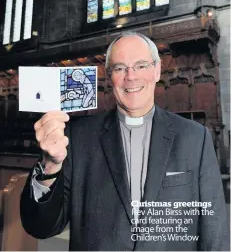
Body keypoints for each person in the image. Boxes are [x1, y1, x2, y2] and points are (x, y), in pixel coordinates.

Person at [20, 32, 230, 251]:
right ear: (110, 76)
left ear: (157, 70)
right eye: (120, 68)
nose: (131, 76)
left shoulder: (195, 137)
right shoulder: (77, 137)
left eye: (141, 65)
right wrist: (51, 166)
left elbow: (214, 230)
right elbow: (40, 227)